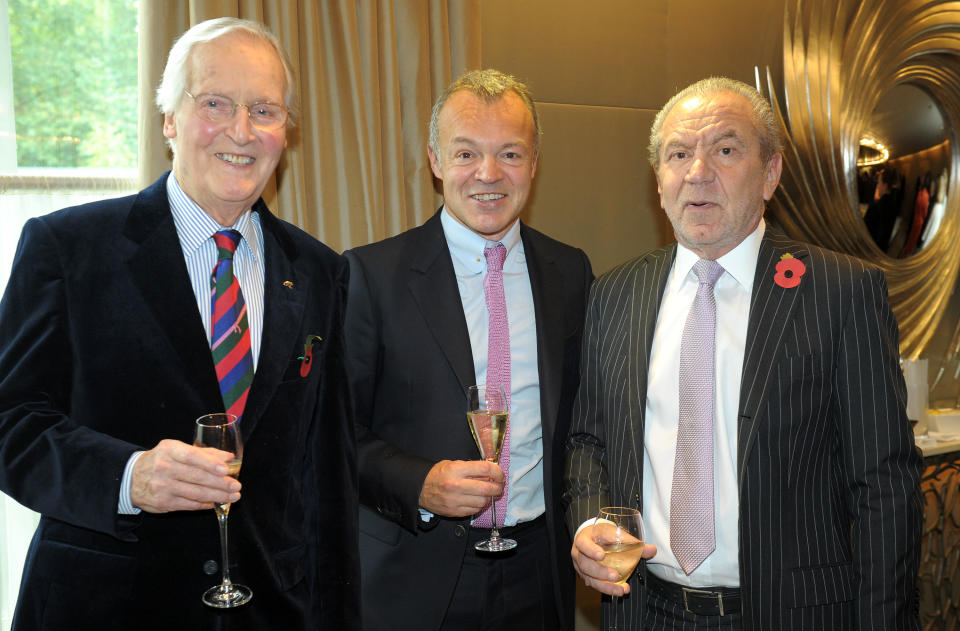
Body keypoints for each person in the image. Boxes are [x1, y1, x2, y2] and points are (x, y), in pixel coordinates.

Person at [0, 17, 358, 630]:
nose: (241, 131)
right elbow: (10, 423)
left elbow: (326, 475)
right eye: (215, 103)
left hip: (271, 610)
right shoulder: (68, 247)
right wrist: (127, 475)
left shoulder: (320, 271)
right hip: (107, 608)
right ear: (169, 120)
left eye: (265, 110)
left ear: (285, 133)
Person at [565, 77, 923, 630]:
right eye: (678, 154)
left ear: (771, 173)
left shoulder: (840, 291)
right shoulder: (614, 295)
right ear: (658, 180)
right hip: (646, 612)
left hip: (794, 616)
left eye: (725, 150)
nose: (698, 172)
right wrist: (590, 523)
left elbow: (885, 487)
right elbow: (589, 440)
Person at [344, 68, 592, 630]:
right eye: (465, 154)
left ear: (534, 163)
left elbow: (583, 426)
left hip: (540, 573)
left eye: (509, 153)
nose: (488, 174)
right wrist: (419, 483)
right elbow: (336, 434)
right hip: (414, 577)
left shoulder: (570, 272)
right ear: (435, 160)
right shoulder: (370, 276)